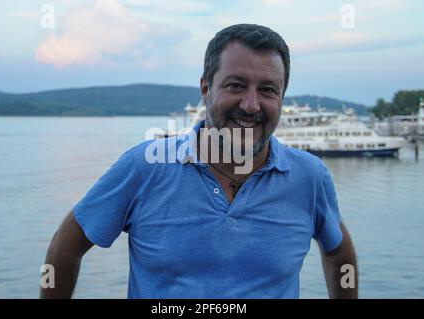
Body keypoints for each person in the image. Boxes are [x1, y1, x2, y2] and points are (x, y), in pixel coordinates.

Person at [40, 24, 358, 299]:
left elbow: (339, 253)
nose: (250, 105)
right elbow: (64, 248)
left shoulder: (309, 177)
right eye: (235, 85)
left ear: (281, 97)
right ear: (205, 88)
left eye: (267, 90)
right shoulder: (144, 168)